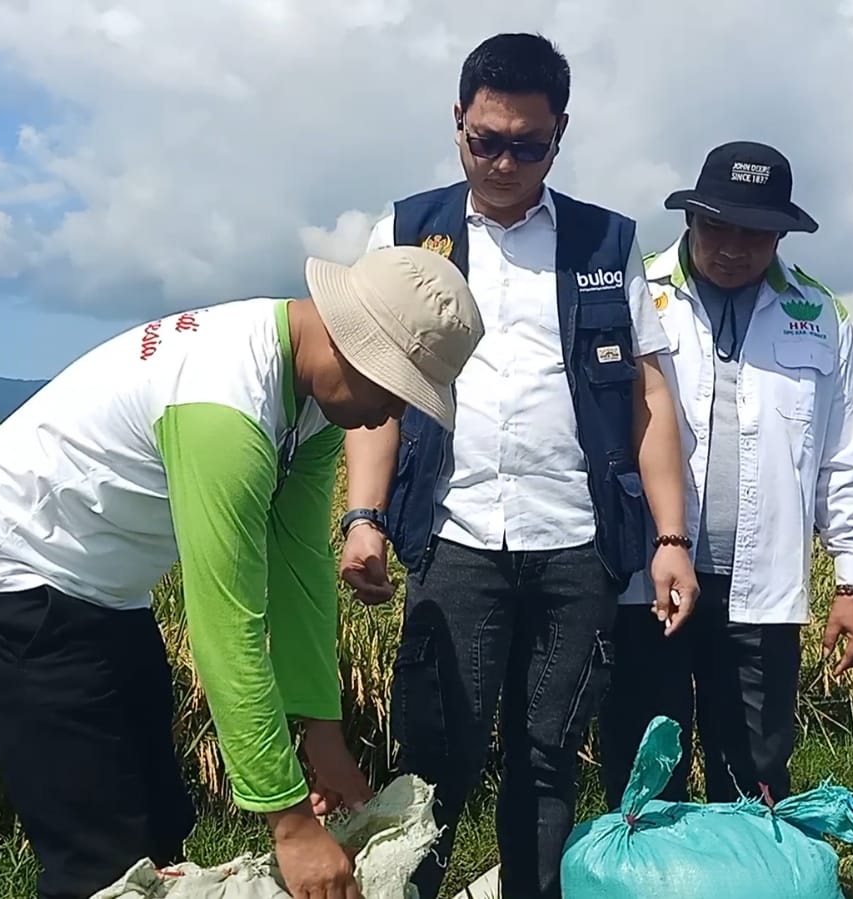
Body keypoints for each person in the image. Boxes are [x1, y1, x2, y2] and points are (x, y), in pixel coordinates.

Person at [0, 246, 484, 899]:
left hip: (106, 592)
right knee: (99, 860)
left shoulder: (310, 397)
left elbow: (299, 561)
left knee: (159, 824)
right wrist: (292, 823)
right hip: (4, 581)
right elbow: (226, 625)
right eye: (391, 387)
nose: (390, 413)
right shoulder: (225, 409)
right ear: (348, 342)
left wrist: (321, 733)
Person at [336, 32, 697, 899]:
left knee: (545, 761)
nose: (502, 161)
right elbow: (378, 389)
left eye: (526, 145)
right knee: (433, 761)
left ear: (558, 134)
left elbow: (649, 403)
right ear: (456, 120)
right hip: (454, 538)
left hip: (576, 542)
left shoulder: (606, 241)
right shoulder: (405, 228)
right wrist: (363, 516)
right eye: (484, 139)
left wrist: (670, 538)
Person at [598, 141, 853, 807]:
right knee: (643, 766)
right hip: (648, 579)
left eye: (753, 233)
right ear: (689, 221)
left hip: (763, 586)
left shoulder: (820, 315)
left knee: (752, 770)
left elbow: (847, 455)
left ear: (780, 234)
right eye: (716, 227)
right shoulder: (632, 294)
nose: (732, 247)